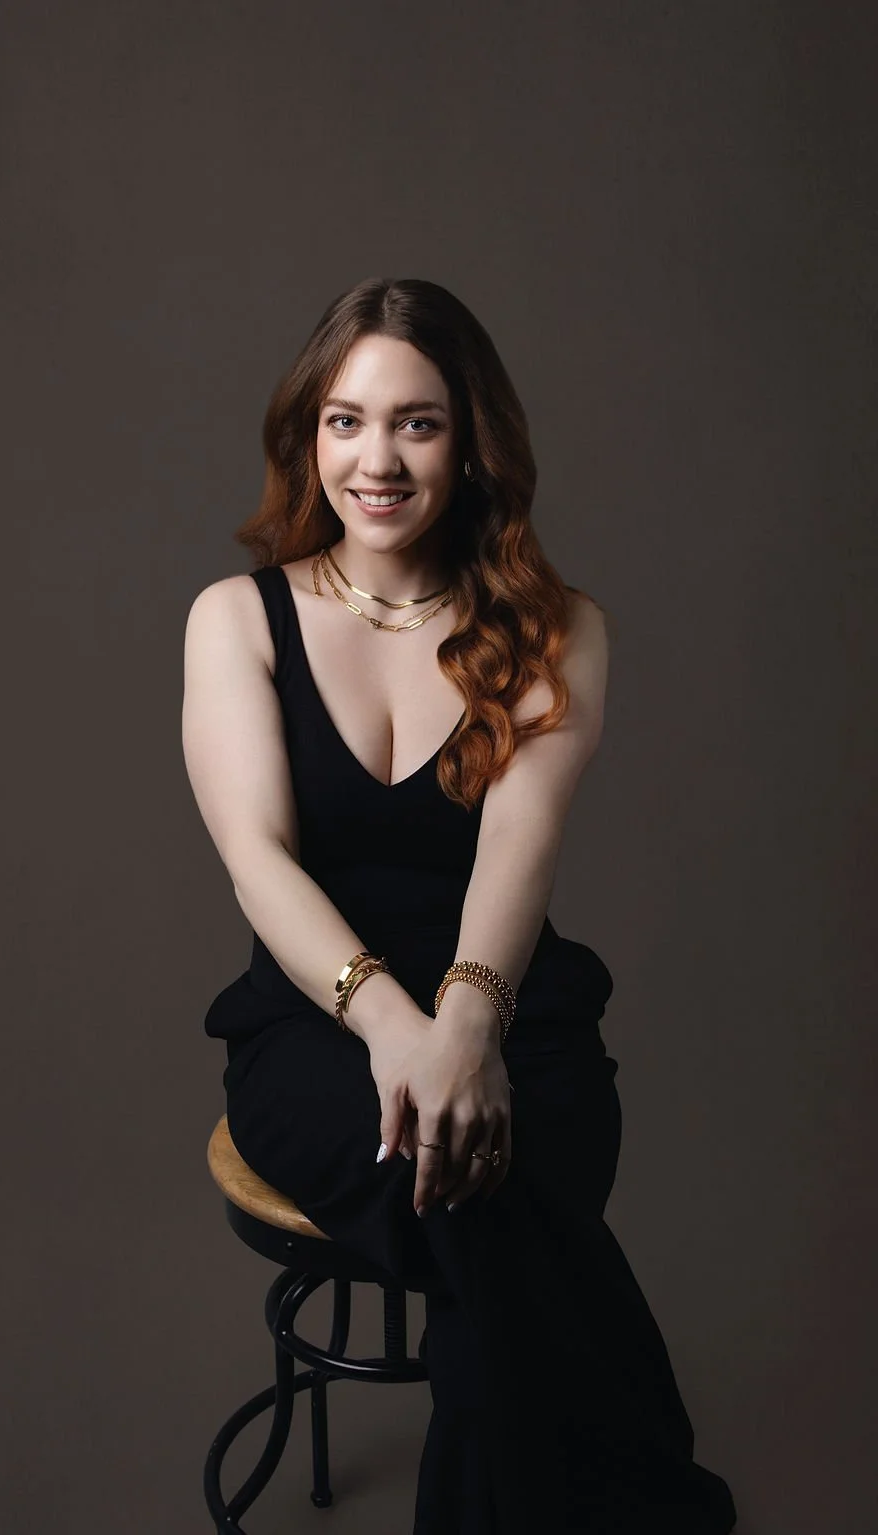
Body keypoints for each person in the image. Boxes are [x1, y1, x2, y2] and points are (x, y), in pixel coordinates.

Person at [182, 276, 738, 1533]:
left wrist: (467, 1032)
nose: (375, 460)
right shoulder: (237, 620)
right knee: (475, 1201)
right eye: (345, 420)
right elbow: (258, 861)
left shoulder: (557, 627)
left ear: (472, 440)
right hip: (315, 1029)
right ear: (308, 435)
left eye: (417, 423)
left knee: (488, 1209)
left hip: (516, 1017)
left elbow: (518, 848)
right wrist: (397, 1031)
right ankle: (662, 1498)